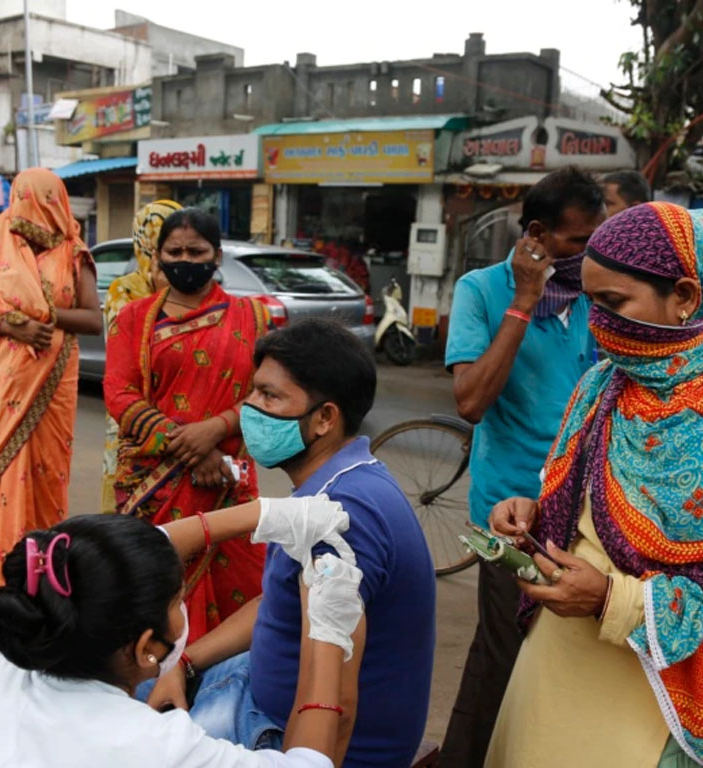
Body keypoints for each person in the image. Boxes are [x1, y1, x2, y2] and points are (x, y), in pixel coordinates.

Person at [146, 318, 436, 768]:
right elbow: (279, 603)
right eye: (253, 391)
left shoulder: (342, 518)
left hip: (286, 734)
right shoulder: (340, 481)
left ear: (324, 418)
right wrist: (186, 662)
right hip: (263, 694)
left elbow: (334, 706)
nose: (250, 408)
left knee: (117, 718)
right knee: (148, 677)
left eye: (270, 396)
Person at [484, 201, 703, 767]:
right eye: (589, 303)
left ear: (684, 296)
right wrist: (534, 512)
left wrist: (612, 598)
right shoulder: (603, 384)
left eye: (613, 303)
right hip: (554, 667)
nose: (598, 323)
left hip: (650, 700)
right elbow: (588, 506)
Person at [0, 495, 364, 768]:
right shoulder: (152, 747)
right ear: (144, 649)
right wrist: (328, 635)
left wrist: (266, 513)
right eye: (177, 600)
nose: (182, 607)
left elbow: (131, 556)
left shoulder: (23, 649)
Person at [439, 166, 604, 767]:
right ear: (538, 234)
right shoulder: (480, 291)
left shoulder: (597, 298)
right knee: (505, 657)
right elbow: (472, 401)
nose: (592, 253)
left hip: (588, 513)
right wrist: (524, 301)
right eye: (580, 241)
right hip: (511, 515)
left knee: (548, 664)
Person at [104, 208, 270, 642]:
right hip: (154, 482)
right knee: (151, 591)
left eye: (196, 251)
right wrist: (192, 447)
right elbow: (120, 394)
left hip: (227, 481)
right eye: (174, 251)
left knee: (244, 587)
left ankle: (221, 679)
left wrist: (215, 430)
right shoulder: (135, 318)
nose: (185, 259)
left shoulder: (252, 318)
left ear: (217, 255)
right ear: (157, 256)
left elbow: (266, 394)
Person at [0, 168, 102, 600]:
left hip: (54, 383)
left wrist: (44, 318)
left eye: (37, 200)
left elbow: (92, 319)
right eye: (24, 199)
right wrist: (8, 325)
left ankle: (45, 584)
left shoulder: (74, 250)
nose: (29, 210)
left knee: (48, 481)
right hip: (4, 383)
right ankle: (0, 586)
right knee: (4, 485)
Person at [100, 198, 182, 514]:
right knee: (127, 512)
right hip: (132, 417)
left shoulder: (191, 291)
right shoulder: (124, 290)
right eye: (168, 245)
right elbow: (128, 356)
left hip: (183, 418)